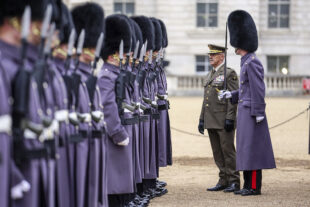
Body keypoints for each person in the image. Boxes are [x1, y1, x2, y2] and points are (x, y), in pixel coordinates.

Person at [219, 10, 276, 196]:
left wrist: (259, 111)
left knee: (251, 150)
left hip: (252, 113)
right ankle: (247, 185)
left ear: (241, 44)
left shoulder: (252, 62)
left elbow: (258, 89)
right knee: (245, 148)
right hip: (245, 111)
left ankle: (253, 187)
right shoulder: (245, 62)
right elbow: (245, 90)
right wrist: (231, 95)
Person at [198, 44, 240, 192]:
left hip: (223, 120)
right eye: (210, 54)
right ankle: (223, 179)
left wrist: (230, 118)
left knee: (228, 151)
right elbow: (206, 99)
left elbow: (233, 98)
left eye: (214, 54)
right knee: (217, 153)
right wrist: (202, 119)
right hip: (211, 119)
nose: (210, 57)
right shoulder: (210, 74)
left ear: (222, 56)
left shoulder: (229, 73)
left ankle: (234, 180)